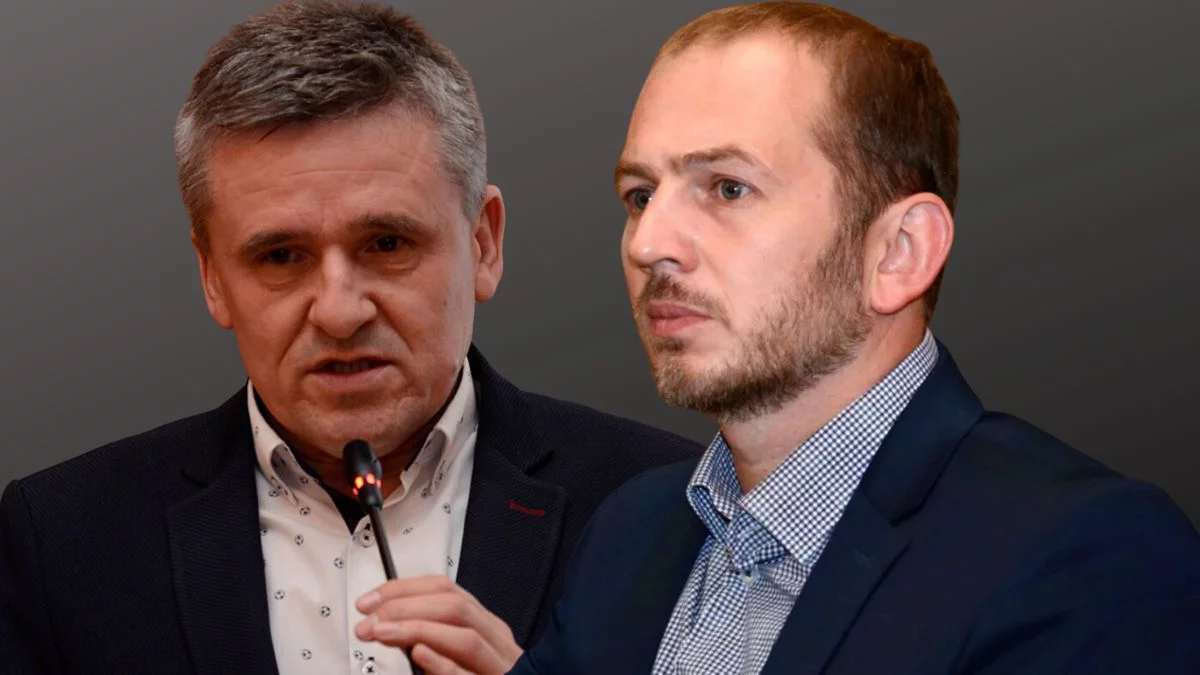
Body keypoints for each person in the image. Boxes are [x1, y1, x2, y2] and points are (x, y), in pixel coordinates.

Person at [0, 3, 701, 674]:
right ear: (212, 276)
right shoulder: (61, 539)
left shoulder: (684, 511)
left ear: (483, 244)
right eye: (280, 256)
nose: (338, 312)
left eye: (387, 243)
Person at [508, 3, 1200, 674]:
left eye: (727, 188)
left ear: (900, 252)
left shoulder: (1086, 555)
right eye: (640, 195)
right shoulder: (630, 532)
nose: (649, 243)